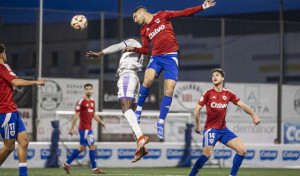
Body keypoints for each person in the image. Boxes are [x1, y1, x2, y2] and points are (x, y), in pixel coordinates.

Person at [122, 0, 216, 139]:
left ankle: (160, 122)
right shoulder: (144, 30)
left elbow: (184, 13)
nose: (135, 20)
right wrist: (133, 49)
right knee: (147, 80)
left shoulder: (163, 15)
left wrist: (202, 6)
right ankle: (138, 112)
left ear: (142, 12)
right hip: (156, 57)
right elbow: (146, 50)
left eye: (135, 17)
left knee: (170, 90)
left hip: (171, 57)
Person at [86, 38, 149, 163]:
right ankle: (140, 146)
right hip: (134, 78)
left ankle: (141, 137)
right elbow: (128, 63)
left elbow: (116, 46)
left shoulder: (132, 42)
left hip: (128, 76)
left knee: (125, 109)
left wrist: (100, 53)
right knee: (132, 115)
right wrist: (119, 71)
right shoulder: (138, 52)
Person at [189, 68, 261, 176]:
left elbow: (242, 105)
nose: (215, 77)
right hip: (211, 129)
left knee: (242, 150)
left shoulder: (228, 93)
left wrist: (254, 115)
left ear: (222, 78)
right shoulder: (208, 93)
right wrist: (198, 125)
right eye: (213, 76)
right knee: (206, 155)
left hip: (223, 130)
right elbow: (197, 110)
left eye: (217, 75)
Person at [0, 43, 46, 176]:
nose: (6, 55)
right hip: (6, 112)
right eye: (5, 52)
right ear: (2, 54)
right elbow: (16, 82)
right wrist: (36, 82)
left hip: (12, 110)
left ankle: (23, 174)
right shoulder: (3, 67)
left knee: (24, 141)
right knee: (9, 147)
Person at [63, 83, 106, 174]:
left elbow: (94, 114)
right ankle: (94, 169)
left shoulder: (92, 102)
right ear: (84, 90)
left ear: (92, 90)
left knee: (82, 148)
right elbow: (76, 116)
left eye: (90, 89)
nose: (88, 90)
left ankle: (67, 163)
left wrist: (101, 122)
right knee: (92, 146)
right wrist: (71, 128)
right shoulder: (81, 101)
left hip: (88, 128)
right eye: (87, 89)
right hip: (84, 128)